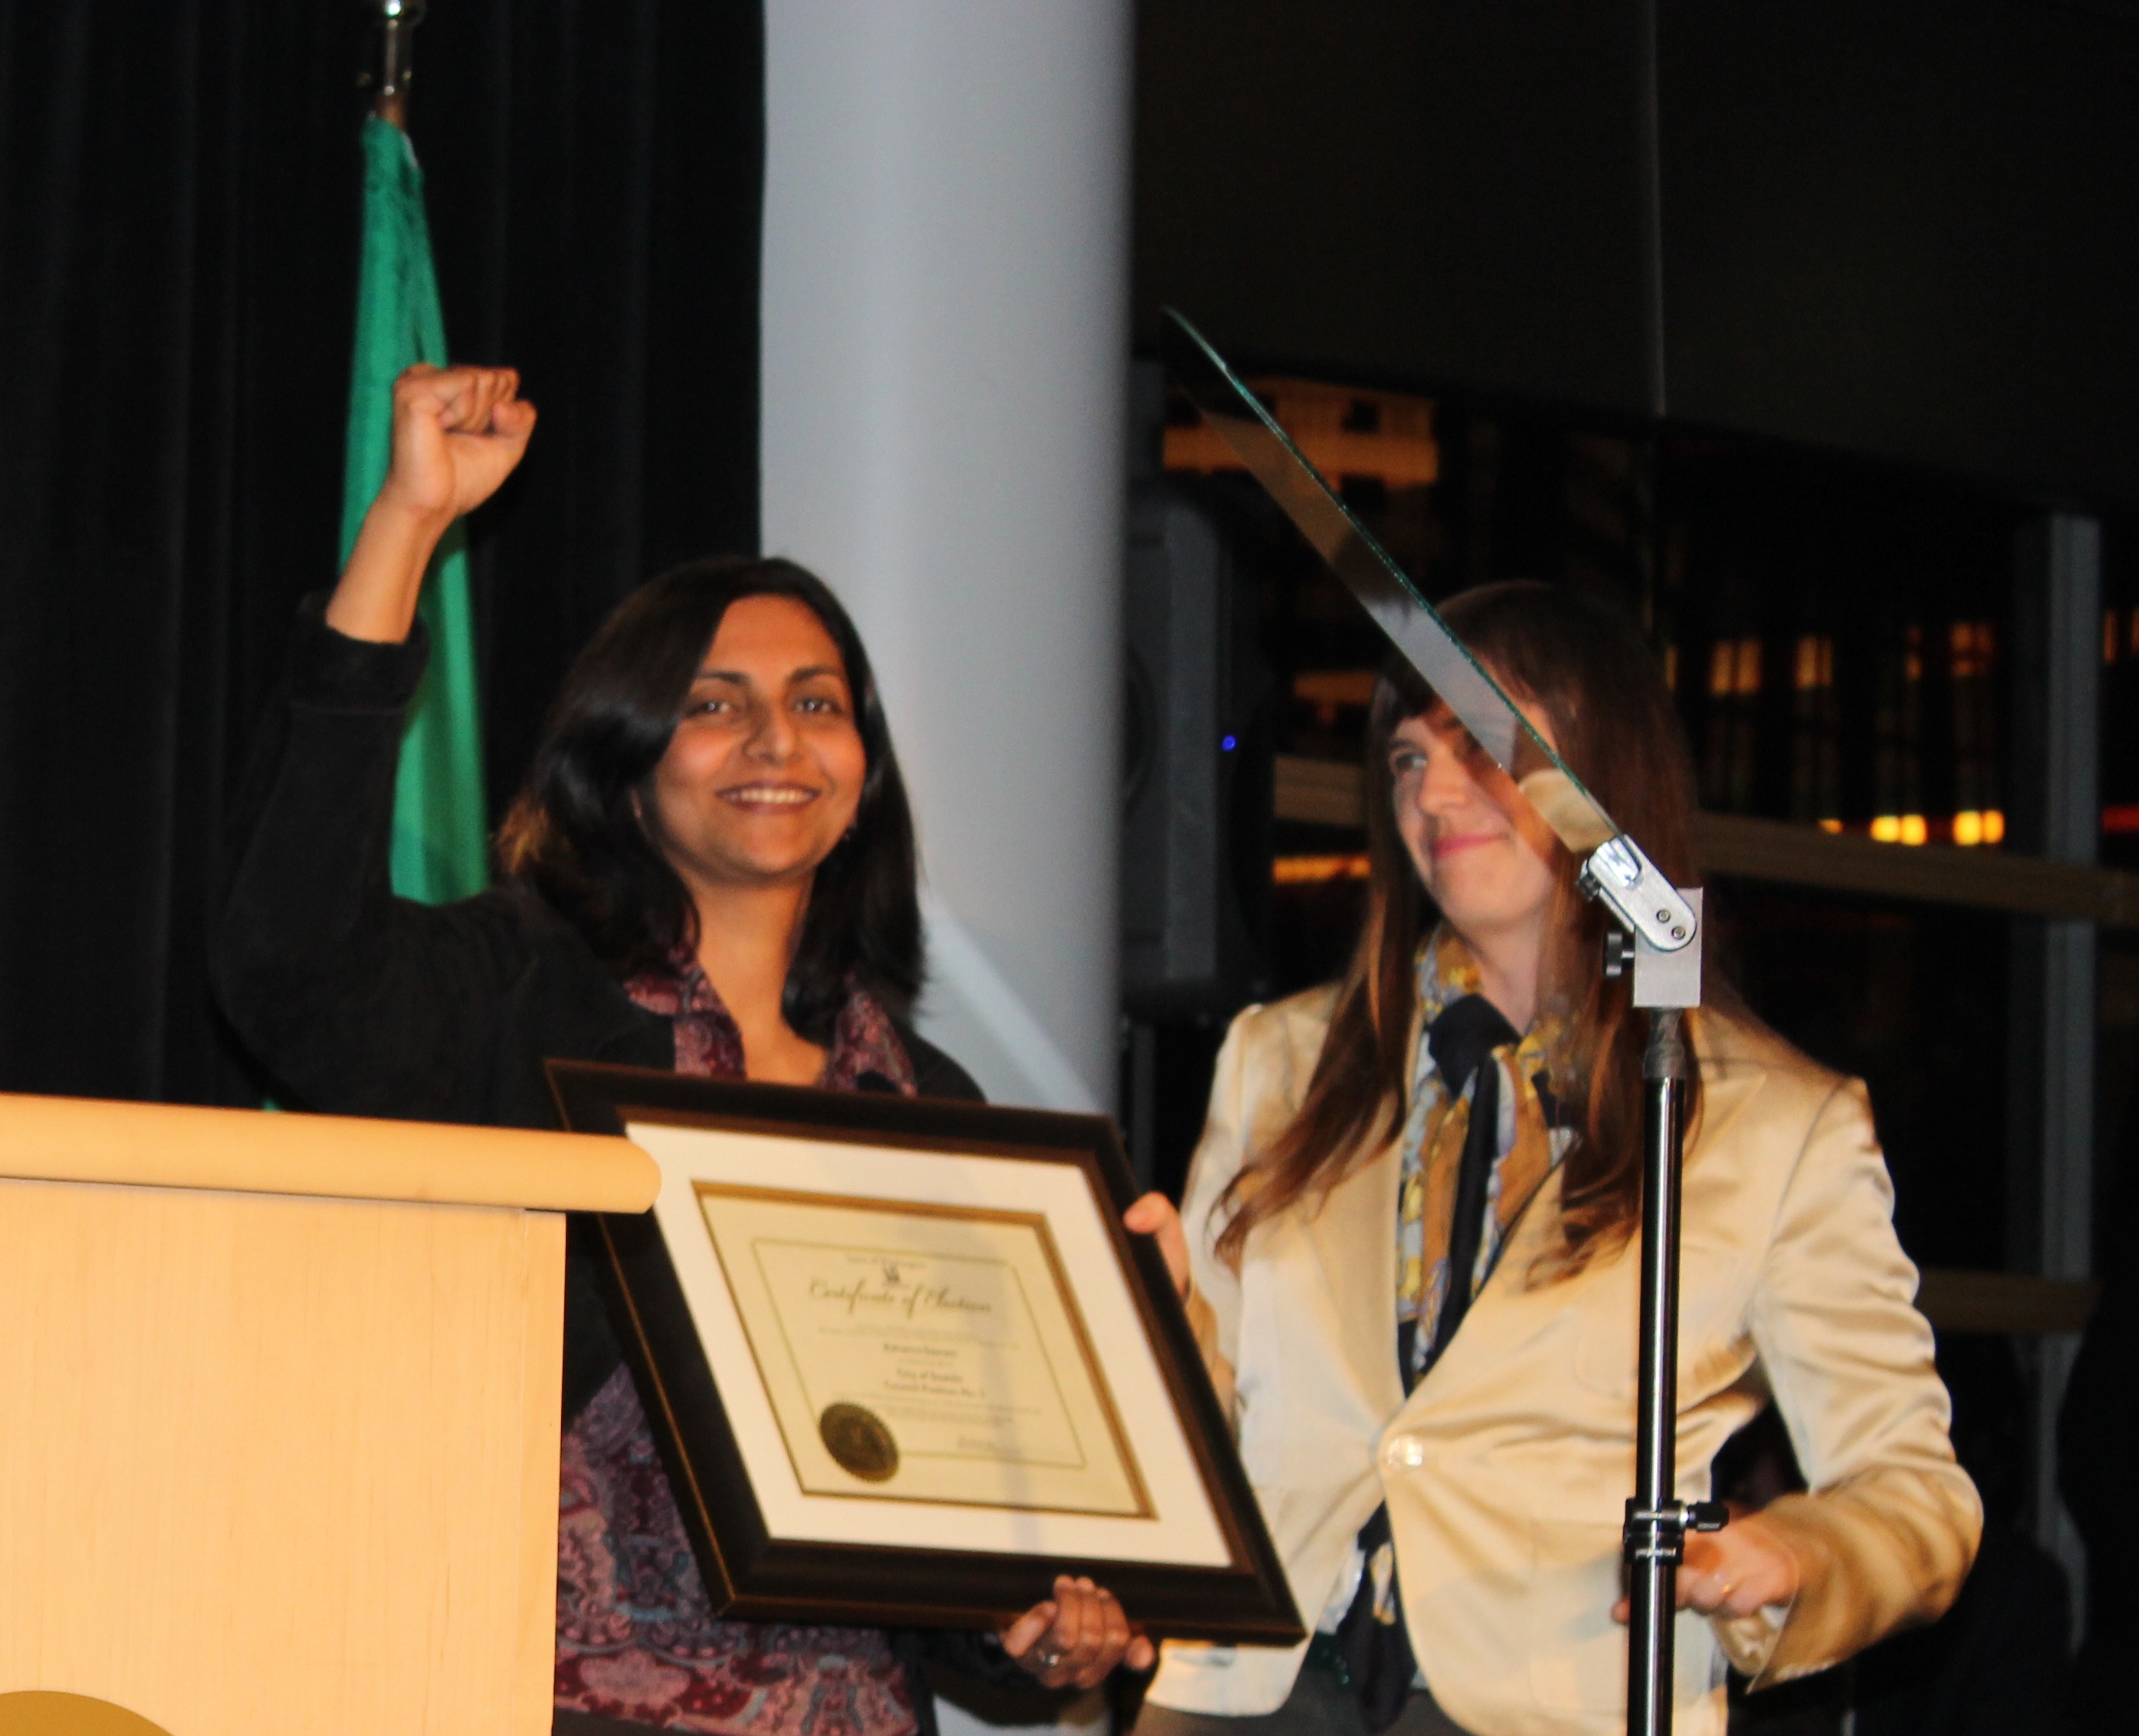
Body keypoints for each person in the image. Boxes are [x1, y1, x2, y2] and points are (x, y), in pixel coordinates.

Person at [212, 363, 1149, 1735]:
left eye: (820, 704)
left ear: (864, 778)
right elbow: (283, 962)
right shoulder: (520, 995)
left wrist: (1040, 1634)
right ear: (630, 758)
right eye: (715, 704)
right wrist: (407, 528)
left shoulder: (922, 1098)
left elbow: (945, 1531)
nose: (778, 739)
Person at [1121, 584, 1982, 1736]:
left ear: (1603, 777)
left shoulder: (1774, 1123)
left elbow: (1920, 1498)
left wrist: (1783, 1555)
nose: (1431, 793)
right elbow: (1216, 1419)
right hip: (1256, 1700)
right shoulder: (1278, 1062)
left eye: (1481, 747)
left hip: (1557, 1706)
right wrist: (1147, 1329)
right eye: (1405, 761)